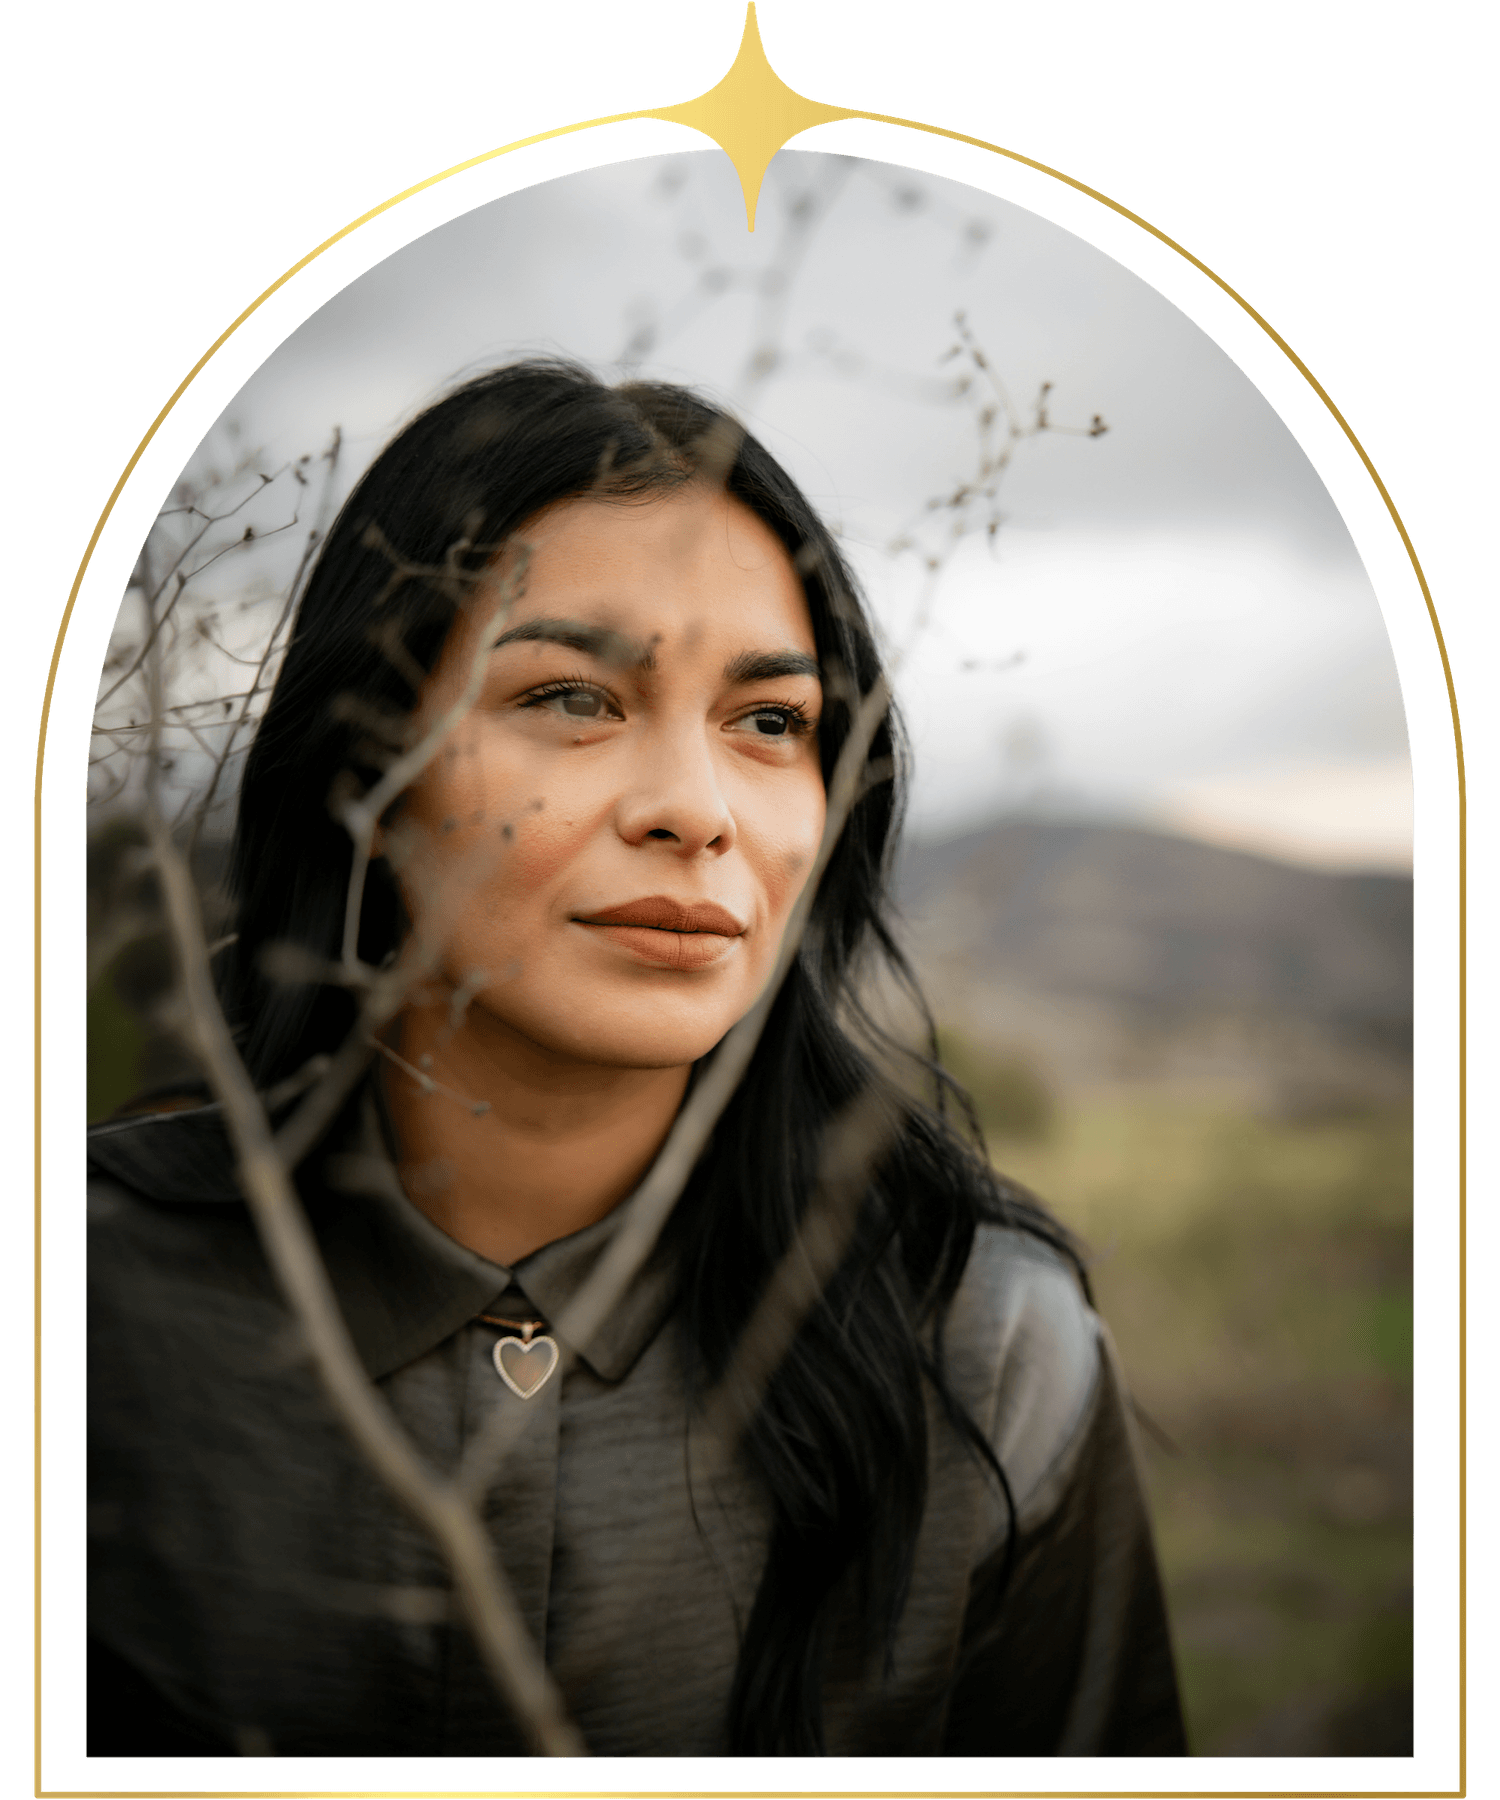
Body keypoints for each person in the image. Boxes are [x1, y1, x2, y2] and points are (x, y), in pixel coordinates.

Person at [86, 359, 1188, 1760]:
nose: (697, 811)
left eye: (770, 723)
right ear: (365, 769)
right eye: (574, 699)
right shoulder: (102, 1307)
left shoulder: (982, 1349)